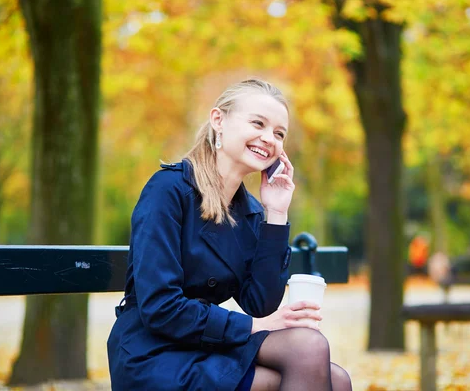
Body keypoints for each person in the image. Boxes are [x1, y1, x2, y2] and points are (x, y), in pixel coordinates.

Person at [107, 79, 352, 391]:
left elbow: (259, 303)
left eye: (279, 133)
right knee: (308, 348)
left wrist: (276, 214)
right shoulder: (168, 190)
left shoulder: (248, 211)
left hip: (205, 345)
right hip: (153, 352)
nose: (269, 139)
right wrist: (256, 327)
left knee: (336, 377)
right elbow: (160, 308)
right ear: (218, 121)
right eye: (258, 123)